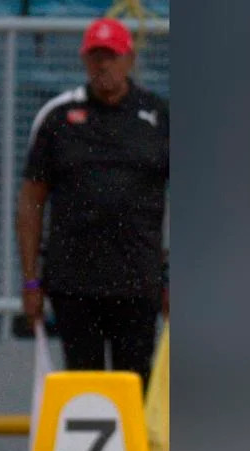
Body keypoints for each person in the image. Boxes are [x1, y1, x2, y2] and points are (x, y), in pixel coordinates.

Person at [17, 17, 169, 392]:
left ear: (129, 59)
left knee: (135, 387)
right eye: (95, 56)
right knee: (82, 388)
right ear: (84, 60)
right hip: (74, 283)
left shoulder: (160, 116)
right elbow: (31, 201)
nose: (103, 65)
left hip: (139, 281)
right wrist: (30, 278)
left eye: (111, 56)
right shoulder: (57, 118)